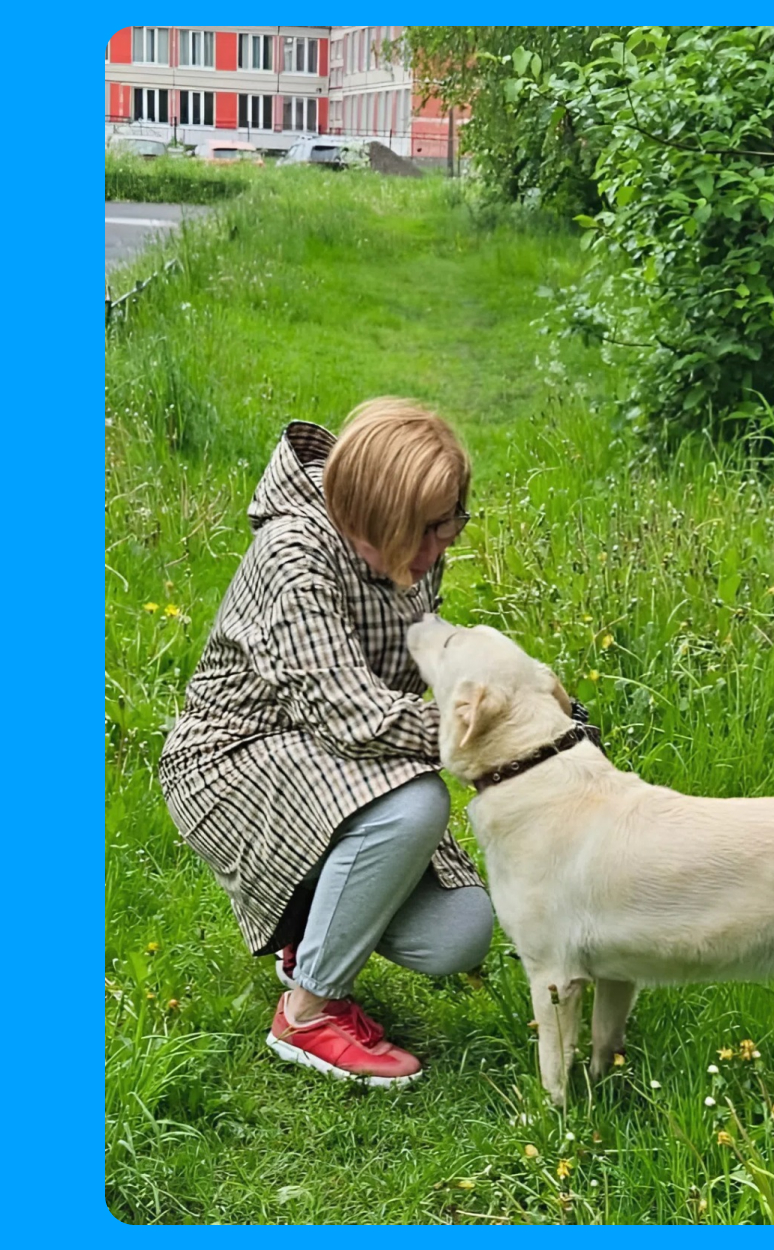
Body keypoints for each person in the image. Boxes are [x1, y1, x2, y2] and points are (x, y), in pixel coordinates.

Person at [157, 398, 495, 1087]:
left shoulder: (415, 548)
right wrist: (495, 738)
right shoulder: (294, 556)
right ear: (370, 517)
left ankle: (308, 925)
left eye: (448, 524)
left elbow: (420, 653)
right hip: (235, 759)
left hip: (334, 766)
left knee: (459, 932)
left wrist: (513, 696)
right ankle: (307, 1013)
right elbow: (356, 720)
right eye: (423, 532)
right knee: (415, 802)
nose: (437, 550)